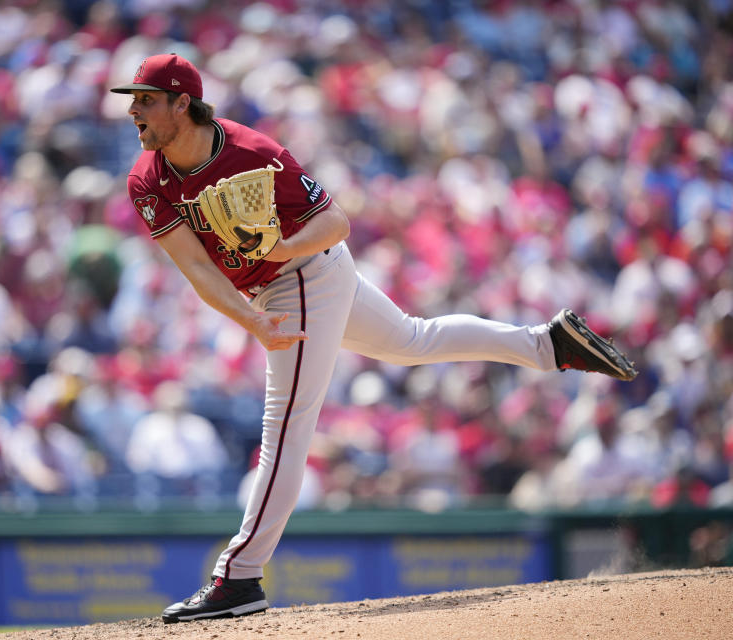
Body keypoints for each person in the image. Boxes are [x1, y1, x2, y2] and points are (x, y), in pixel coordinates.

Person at [110, 53, 638, 624]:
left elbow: (336, 223)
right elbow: (198, 268)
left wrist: (282, 249)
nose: (134, 110)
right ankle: (547, 344)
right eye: (133, 100)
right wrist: (252, 320)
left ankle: (238, 577)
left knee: (284, 424)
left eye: (145, 99)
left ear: (181, 103)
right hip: (272, 293)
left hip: (303, 274)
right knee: (411, 341)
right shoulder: (147, 177)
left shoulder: (252, 153)